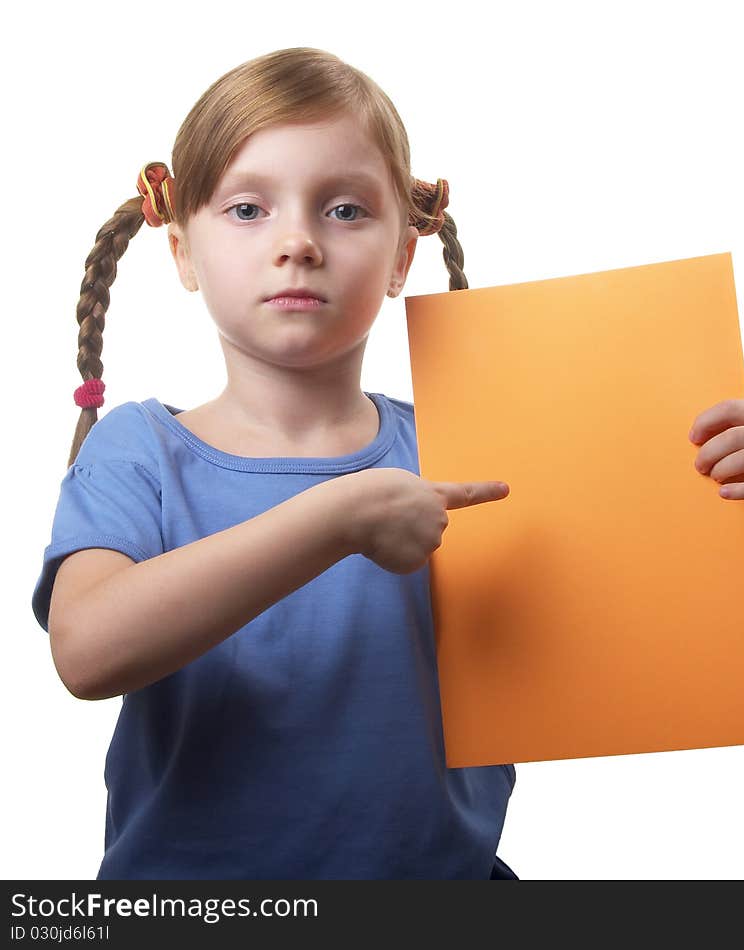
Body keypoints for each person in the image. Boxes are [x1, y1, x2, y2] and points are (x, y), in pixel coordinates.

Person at [31, 47, 518, 880]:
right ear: (183, 252)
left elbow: (611, 642)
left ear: (403, 257)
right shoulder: (139, 450)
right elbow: (86, 652)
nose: (297, 242)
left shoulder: (464, 444)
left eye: (345, 210)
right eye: (250, 209)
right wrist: (335, 519)